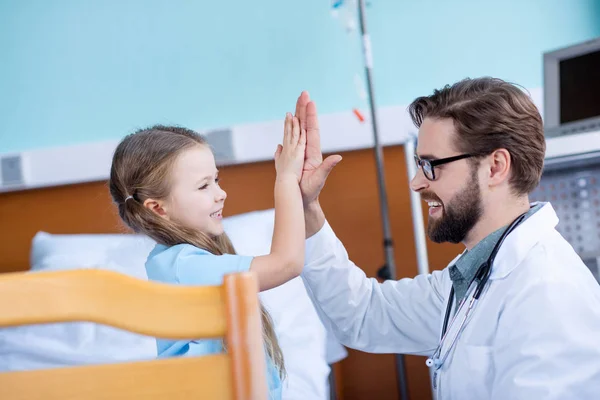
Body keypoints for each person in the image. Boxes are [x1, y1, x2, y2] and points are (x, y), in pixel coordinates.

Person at [292, 78, 600, 399]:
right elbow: (364, 314)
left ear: (495, 167)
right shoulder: (474, 277)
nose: (416, 183)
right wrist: (306, 206)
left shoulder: (547, 294)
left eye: (430, 165)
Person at [108, 113, 306, 400]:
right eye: (204, 186)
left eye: (216, 179)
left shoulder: (185, 260)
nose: (221, 193)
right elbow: (286, 263)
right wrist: (286, 178)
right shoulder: (183, 267)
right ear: (157, 208)